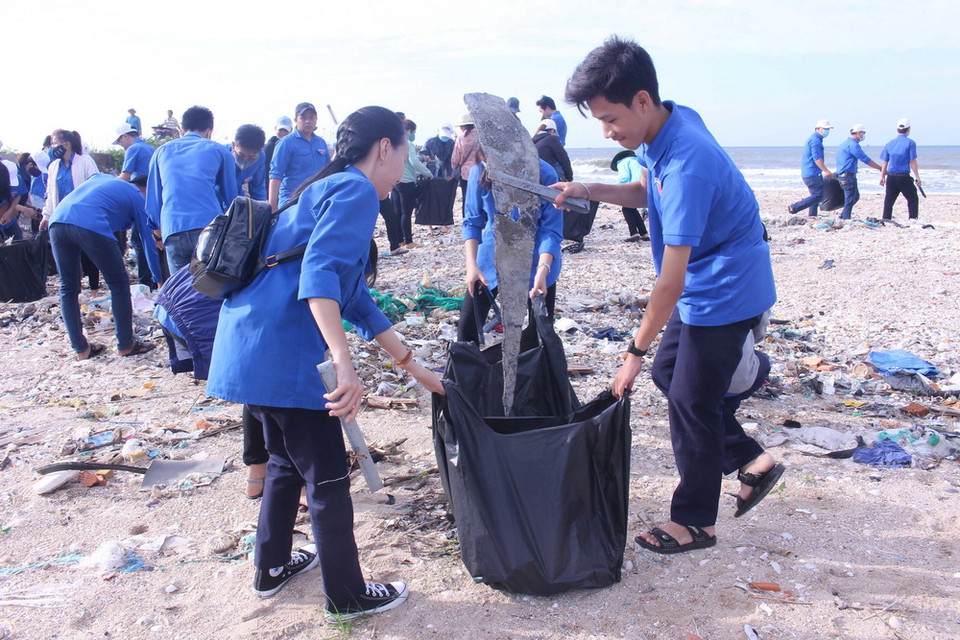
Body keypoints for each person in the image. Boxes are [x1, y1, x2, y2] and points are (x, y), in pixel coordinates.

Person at [206, 106, 443, 619]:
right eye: (405, 156)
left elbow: (352, 297)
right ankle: (348, 596)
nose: (405, 169)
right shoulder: (355, 191)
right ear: (386, 147)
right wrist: (343, 362)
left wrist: (414, 367)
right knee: (329, 475)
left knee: (286, 462)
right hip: (285, 355)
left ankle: (270, 568)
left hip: (249, 347)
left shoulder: (313, 192)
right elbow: (319, 277)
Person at [553, 36, 782, 555]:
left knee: (689, 398)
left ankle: (696, 522)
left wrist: (632, 354)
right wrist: (586, 190)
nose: (609, 133)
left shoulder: (687, 163)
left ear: (642, 100)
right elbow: (645, 192)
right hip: (708, 284)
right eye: (599, 122)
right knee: (670, 374)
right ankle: (751, 458)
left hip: (725, 290)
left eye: (612, 119)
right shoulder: (673, 124)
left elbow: (669, 282)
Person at [47, 174, 162, 359]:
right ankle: (126, 344)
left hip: (57, 221)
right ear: (146, 189)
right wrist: (159, 279)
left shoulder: (102, 180)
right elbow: (147, 241)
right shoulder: (138, 196)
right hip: (90, 223)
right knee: (118, 283)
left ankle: (81, 349)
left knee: (67, 287)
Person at [459, 155, 563, 346]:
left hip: (537, 259)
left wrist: (543, 270)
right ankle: (464, 375)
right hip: (491, 257)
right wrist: (471, 265)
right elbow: (472, 221)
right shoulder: (480, 170)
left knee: (540, 333)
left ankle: (536, 374)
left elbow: (551, 230)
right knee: (467, 329)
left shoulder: (545, 172)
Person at [145, 105, 237, 274]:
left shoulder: (161, 152)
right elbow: (231, 199)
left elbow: (153, 200)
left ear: (181, 129)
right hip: (209, 228)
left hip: (173, 230)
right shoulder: (218, 151)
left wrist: (157, 232)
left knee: (181, 292)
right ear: (210, 130)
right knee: (210, 288)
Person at [39, 130, 101, 289]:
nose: (52, 147)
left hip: (82, 216)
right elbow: (51, 194)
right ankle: (75, 289)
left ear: (66, 144)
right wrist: (46, 216)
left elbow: (96, 187)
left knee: (88, 255)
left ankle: (94, 289)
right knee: (68, 257)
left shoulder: (85, 162)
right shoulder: (54, 167)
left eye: (54, 143)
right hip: (61, 218)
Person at [114, 123, 157, 289]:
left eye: (120, 142)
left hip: (141, 198)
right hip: (152, 198)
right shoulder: (150, 149)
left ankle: (147, 281)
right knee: (152, 239)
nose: (121, 146)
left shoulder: (133, 149)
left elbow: (125, 177)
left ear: (125, 136)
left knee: (139, 240)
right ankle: (155, 278)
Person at [268, 102, 330, 210]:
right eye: (303, 117)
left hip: (317, 201)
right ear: (296, 120)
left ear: (316, 119)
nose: (308, 121)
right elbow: (275, 174)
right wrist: (272, 206)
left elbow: (328, 173)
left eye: (311, 117)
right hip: (292, 201)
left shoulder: (321, 143)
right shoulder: (286, 143)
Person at [389, 119, 432, 249]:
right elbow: (414, 162)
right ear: (409, 131)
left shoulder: (392, 142)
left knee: (397, 212)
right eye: (413, 132)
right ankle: (409, 241)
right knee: (406, 213)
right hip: (406, 181)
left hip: (395, 181)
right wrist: (428, 173)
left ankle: (399, 240)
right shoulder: (407, 143)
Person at [788, 119, 835, 217]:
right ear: (817, 129)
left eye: (828, 129)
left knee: (815, 196)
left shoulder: (814, 139)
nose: (827, 131)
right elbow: (817, 158)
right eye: (825, 129)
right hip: (812, 173)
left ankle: (812, 215)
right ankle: (795, 207)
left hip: (809, 173)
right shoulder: (815, 141)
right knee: (818, 196)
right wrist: (826, 170)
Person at [835, 124, 882, 220]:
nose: (863, 135)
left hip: (842, 174)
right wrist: (880, 168)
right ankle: (845, 218)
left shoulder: (843, 144)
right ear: (858, 133)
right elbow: (865, 159)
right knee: (850, 199)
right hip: (847, 175)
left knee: (855, 197)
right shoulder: (853, 145)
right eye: (863, 133)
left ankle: (843, 216)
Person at [879, 118, 921, 221]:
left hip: (891, 177)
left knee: (889, 200)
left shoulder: (890, 143)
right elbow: (912, 161)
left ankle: (886, 218)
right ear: (908, 129)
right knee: (912, 198)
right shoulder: (910, 143)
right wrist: (917, 177)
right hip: (903, 177)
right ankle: (912, 219)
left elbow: (885, 162)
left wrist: (882, 176)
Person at [611, 150, 649, 242]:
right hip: (645, 186)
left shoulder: (623, 162)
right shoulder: (638, 161)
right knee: (633, 209)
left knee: (626, 209)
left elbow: (624, 177)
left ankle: (634, 234)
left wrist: (614, 189)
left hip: (633, 187)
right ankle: (644, 234)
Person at [228, 124, 267, 201]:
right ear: (233, 145)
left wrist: (260, 209)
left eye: (252, 157)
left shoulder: (260, 158)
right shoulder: (220, 155)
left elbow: (258, 189)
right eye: (241, 155)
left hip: (238, 198)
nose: (245, 160)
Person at [450, 114, 479, 214]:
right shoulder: (481, 136)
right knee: (479, 197)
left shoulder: (461, 138)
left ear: (464, 126)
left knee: (467, 197)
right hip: (482, 173)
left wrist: (454, 167)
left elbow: (455, 157)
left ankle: (467, 219)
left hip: (465, 173)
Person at [263, 116, 293, 195]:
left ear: (291, 130)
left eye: (285, 130)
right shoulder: (269, 148)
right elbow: (266, 173)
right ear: (275, 129)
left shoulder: (293, 146)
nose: (283, 133)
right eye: (280, 130)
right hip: (273, 190)